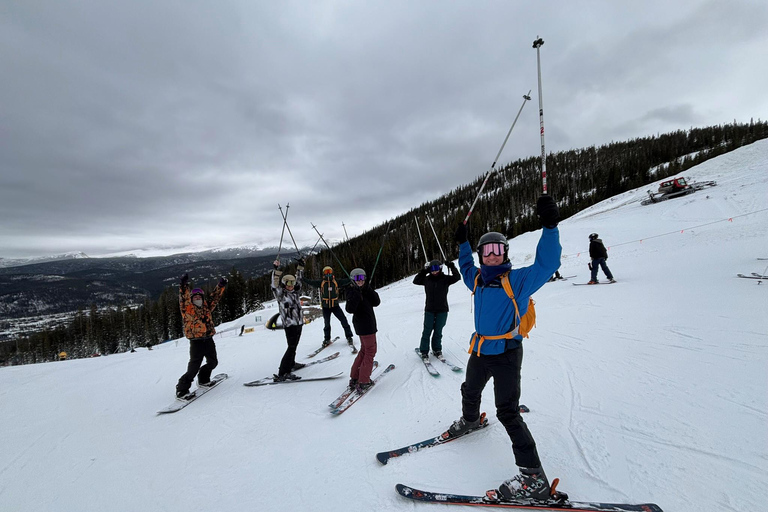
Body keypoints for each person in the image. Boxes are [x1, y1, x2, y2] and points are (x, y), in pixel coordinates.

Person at [449, 194, 561, 501]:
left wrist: (550, 227)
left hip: (508, 354)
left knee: (508, 413)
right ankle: (470, 420)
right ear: (482, 254)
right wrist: (463, 244)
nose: (492, 255)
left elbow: (548, 263)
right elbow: (464, 267)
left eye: (498, 249)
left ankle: (533, 478)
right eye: (487, 250)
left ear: (505, 252)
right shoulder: (478, 281)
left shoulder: (518, 280)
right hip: (481, 351)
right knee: (469, 390)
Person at [176, 274, 228, 398]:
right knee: (193, 367)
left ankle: (203, 379)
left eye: (200, 296)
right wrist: (183, 285)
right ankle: (181, 389)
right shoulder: (187, 308)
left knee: (213, 362)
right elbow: (183, 297)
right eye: (195, 296)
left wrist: (221, 285)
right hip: (196, 342)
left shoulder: (206, 307)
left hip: (208, 339)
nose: (198, 298)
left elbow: (215, 297)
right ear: (192, 298)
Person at [413, 259, 461, 359]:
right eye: (432, 269)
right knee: (427, 331)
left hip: (442, 310)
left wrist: (452, 267)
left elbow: (457, 277)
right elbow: (416, 281)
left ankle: (437, 349)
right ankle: (424, 351)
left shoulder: (445, 279)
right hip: (429, 310)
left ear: (440, 268)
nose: (434, 271)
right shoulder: (427, 279)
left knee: (438, 331)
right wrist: (424, 271)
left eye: (436, 268)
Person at [345, 268, 381, 393]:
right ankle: (364, 381)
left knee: (364, 350)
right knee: (370, 351)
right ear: (352, 280)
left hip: (368, 324)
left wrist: (368, 289)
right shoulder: (351, 291)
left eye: (362, 278)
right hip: (364, 326)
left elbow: (376, 302)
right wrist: (356, 294)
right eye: (357, 279)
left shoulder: (366, 289)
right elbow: (350, 309)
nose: (360, 281)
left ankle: (355, 377)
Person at [271, 258, 306, 381]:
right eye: (288, 284)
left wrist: (300, 267)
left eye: (292, 284)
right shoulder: (281, 294)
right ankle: (283, 372)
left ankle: (291, 364)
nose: (290, 286)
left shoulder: (296, 291)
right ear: (284, 284)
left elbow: (299, 278)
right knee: (291, 346)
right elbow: (274, 285)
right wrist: (276, 270)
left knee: (294, 345)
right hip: (289, 324)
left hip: (299, 322)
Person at [303, 266, 355, 347]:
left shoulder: (336, 281)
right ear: (324, 273)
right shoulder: (321, 282)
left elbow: (346, 281)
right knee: (327, 324)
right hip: (326, 307)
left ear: (332, 272)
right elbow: (311, 282)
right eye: (326, 272)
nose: (328, 273)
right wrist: (303, 279)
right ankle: (327, 339)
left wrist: (352, 278)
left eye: (329, 271)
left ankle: (349, 336)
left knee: (344, 320)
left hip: (335, 306)